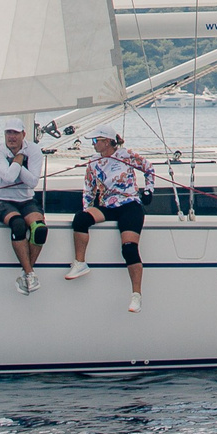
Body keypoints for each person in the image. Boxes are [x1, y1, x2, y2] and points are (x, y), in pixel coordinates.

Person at [65, 125, 152, 311]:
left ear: (107, 142)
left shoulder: (125, 155)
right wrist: (87, 208)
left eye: (95, 141)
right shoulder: (93, 163)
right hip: (107, 206)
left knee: (129, 249)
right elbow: (89, 190)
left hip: (129, 204)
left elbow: (148, 168)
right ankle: (80, 263)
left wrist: (148, 190)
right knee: (80, 219)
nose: (93, 144)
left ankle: (136, 295)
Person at [0, 124, 52, 294]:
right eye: (8, 132)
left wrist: (18, 163)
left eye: (15, 133)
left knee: (40, 229)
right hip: (1, 200)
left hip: (26, 200)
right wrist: (18, 160)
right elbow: (8, 177)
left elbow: (32, 182)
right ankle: (30, 273)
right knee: (18, 225)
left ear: (23, 134)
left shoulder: (33, 150)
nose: (12, 137)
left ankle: (25, 274)